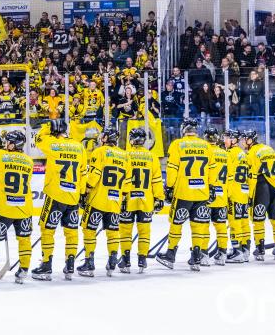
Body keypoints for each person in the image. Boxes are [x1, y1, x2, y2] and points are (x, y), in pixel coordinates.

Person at [32, 119, 87, 281]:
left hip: (56, 195)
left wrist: (46, 126)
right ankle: (70, 265)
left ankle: (46, 264)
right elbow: (83, 172)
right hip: (73, 197)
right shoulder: (79, 146)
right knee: (71, 232)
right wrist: (82, 193)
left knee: (47, 230)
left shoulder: (53, 144)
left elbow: (38, 138)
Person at [157, 118, 215, 271]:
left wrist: (169, 187)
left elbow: (172, 168)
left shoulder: (177, 144)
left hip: (183, 193)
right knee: (198, 226)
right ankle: (196, 257)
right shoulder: (206, 145)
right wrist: (212, 187)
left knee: (176, 224)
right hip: (202, 193)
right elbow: (212, 170)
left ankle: (170, 254)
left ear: (184, 129)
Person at [0, 130, 34, 284]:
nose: (6, 143)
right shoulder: (29, 161)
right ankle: (23, 270)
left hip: (4, 207)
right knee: (24, 239)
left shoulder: (2, 157)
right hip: (24, 208)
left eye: (8, 141)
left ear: (14, 144)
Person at [77, 127, 128, 277]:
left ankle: (89, 262)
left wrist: (84, 191)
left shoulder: (99, 152)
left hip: (97, 200)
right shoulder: (125, 155)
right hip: (115, 201)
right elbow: (127, 182)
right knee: (113, 232)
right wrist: (123, 199)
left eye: (103, 136)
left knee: (89, 230)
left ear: (106, 138)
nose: (101, 138)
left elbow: (94, 176)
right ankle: (112, 261)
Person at [118, 128, 164, 273]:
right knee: (144, 232)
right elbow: (156, 181)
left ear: (131, 139)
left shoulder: (125, 155)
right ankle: (142, 259)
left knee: (125, 231)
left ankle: (125, 261)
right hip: (146, 200)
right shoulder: (152, 157)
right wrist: (159, 198)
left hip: (128, 199)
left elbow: (122, 178)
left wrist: (121, 196)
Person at [242, 129, 275, 261]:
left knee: (258, 220)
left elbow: (252, 176)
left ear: (251, 140)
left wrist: (250, 196)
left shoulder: (251, 153)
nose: (243, 142)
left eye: (245, 139)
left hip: (261, 188)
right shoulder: (269, 149)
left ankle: (260, 249)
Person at [223, 129, 251, 263]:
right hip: (244, 191)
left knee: (235, 223)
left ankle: (237, 251)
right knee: (244, 221)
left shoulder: (229, 154)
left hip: (234, 191)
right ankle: (245, 250)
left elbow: (227, 175)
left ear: (234, 140)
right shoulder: (242, 153)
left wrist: (226, 194)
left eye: (227, 138)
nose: (224, 140)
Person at [204, 127, 229, 266]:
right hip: (222, 195)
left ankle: (203, 253)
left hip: (207, 194)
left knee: (203, 226)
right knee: (221, 227)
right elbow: (230, 176)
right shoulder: (225, 153)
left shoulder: (204, 151)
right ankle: (222, 254)